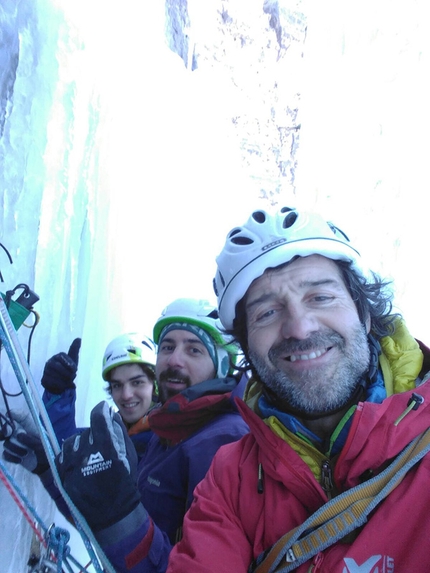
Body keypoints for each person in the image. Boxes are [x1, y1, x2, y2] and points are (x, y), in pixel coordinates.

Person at [165, 206, 430, 573]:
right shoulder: (229, 480)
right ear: (247, 347)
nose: (300, 329)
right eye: (267, 313)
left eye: (320, 297)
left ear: (365, 314)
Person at [3, 298, 249, 573]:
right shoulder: (167, 435)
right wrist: (48, 467)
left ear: (223, 364)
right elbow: (99, 511)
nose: (175, 359)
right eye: (167, 347)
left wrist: (120, 518)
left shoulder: (222, 442)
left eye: (194, 349)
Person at [40, 333, 158, 455]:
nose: (126, 395)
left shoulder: (168, 441)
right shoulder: (107, 435)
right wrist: (58, 395)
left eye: (137, 382)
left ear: (155, 384)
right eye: (117, 385)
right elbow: (62, 448)